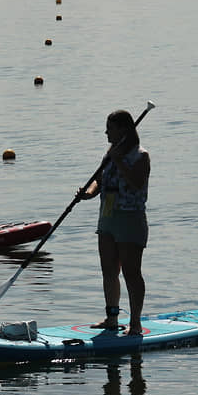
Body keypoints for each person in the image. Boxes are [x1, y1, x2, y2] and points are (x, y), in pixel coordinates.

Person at [80, 109, 150, 336]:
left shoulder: (141, 156)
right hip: (108, 217)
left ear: (122, 129)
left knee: (131, 272)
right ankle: (112, 318)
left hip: (130, 219)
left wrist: (119, 161)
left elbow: (137, 183)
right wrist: (87, 193)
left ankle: (136, 323)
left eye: (110, 128)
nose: (106, 132)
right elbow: (98, 182)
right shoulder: (109, 155)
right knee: (109, 270)